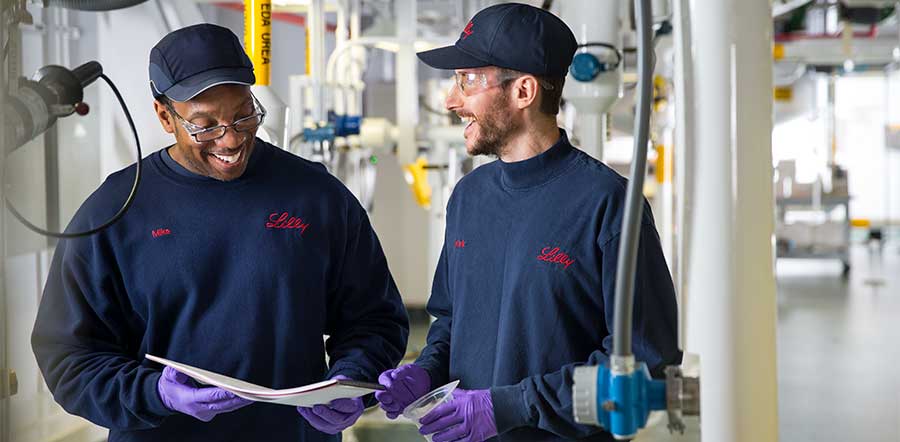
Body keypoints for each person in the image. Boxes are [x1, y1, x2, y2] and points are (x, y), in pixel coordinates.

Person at [31, 23, 409, 442]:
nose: (230, 139)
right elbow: (69, 356)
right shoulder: (114, 211)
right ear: (164, 116)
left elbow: (375, 319)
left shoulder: (317, 197)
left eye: (243, 114)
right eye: (205, 125)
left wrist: (351, 383)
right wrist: (155, 392)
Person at [374, 3, 682, 442]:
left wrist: (513, 406)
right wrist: (424, 371)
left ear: (523, 91)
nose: (451, 100)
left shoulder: (609, 204)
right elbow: (450, 321)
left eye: (468, 80)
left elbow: (646, 361)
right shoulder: (468, 197)